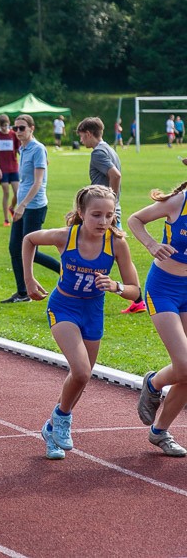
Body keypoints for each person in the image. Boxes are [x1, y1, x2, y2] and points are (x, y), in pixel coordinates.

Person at [23, 186, 141, 459]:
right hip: (64, 307)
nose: (103, 221)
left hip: (93, 311)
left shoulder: (116, 243)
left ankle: (51, 428)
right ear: (81, 212)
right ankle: (63, 419)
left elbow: (135, 290)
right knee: (81, 371)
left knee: (81, 377)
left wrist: (115, 286)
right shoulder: (66, 236)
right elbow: (29, 239)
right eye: (96, 215)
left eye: (109, 215)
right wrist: (29, 279)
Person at [127, 181, 187, 457]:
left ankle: (159, 431)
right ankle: (153, 383)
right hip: (163, 288)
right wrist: (151, 244)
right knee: (184, 365)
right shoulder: (178, 202)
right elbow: (135, 219)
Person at [75, 117, 145, 313]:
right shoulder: (109, 149)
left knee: (119, 255)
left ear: (88, 133)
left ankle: (138, 299)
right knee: (120, 255)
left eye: (81, 136)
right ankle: (138, 299)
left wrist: (110, 201)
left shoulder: (98, 152)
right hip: (107, 212)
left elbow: (115, 175)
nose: (81, 141)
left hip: (104, 213)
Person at [2, 115, 61, 303]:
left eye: (22, 128)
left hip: (34, 207)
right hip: (23, 205)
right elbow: (24, 181)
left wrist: (22, 205)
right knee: (15, 248)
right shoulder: (23, 149)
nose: (18, 131)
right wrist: (15, 202)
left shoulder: (37, 149)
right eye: (16, 128)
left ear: (31, 128)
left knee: (30, 252)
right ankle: (22, 293)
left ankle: (66, 271)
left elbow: (38, 182)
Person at [0, 113, 21, 227]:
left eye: (6, 125)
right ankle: (6, 219)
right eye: (2, 126)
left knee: (18, 193)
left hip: (13, 167)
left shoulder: (13, 134)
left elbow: (19, 150)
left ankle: (12, 207)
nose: (4, 128)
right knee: (6, 192)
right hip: (3, 169)